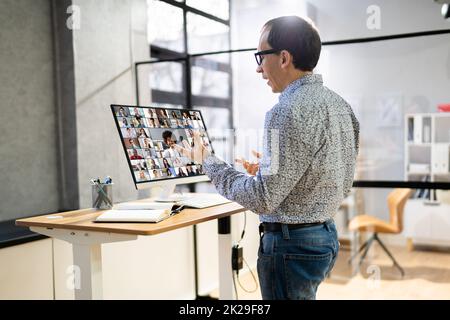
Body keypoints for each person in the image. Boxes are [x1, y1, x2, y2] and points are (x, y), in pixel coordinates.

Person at [173, 16, 359, 300]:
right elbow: (337, 175)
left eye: (261, 56)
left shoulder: (285, 111)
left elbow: (262, 198)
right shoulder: (340, 105)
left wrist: (207, 159)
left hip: (291, 247)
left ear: (284, 58)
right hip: (324, 239)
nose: (259, 68)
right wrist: (276, 170)